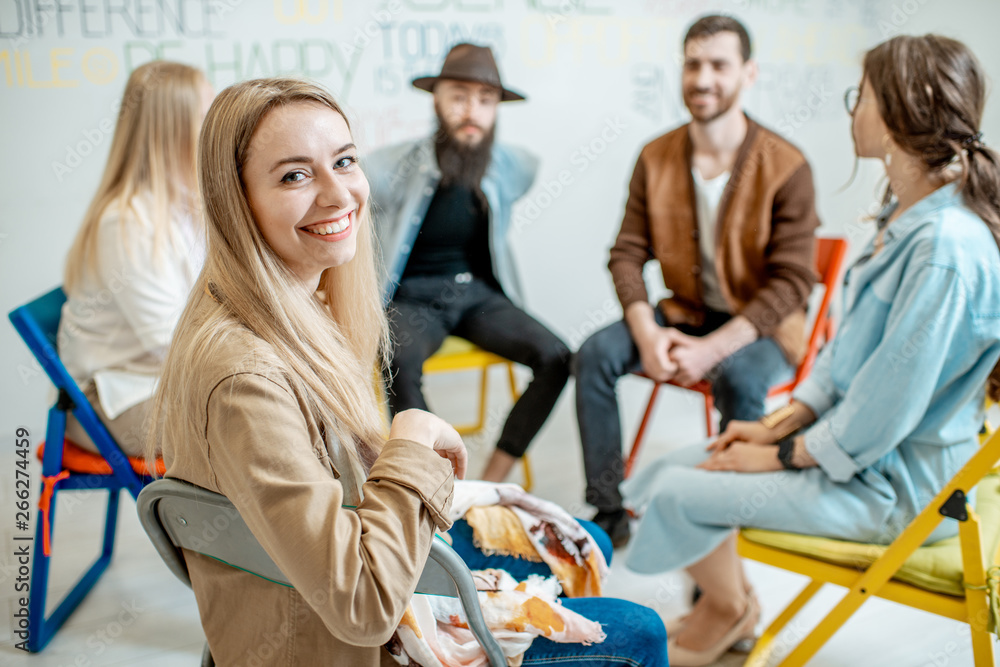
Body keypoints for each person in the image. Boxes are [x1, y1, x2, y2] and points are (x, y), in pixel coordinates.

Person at [148, 77, 667, 666]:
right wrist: (412, 437)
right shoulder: (248, 380)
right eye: (295, 175)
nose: (338, 195)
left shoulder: (286, 310)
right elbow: (364, 606)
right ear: (233, 199)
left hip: (326, 571)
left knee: (588, 540)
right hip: (341, 641)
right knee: (641, 632)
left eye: (344, 161)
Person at [623, 34, 1000, 667]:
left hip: (897, 492)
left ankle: (725, 610)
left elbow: (883, 412)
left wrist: (779, 457)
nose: (853, 111)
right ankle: (731, 605)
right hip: (863, 461)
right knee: (657, 473)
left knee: (678, 490)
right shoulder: (906, 219)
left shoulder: (945, 250)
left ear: (904, 111)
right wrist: (773, 427)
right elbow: (839, 359)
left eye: (863, 98)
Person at [573, 15, 820, 546]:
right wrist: (645, 331)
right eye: (693, 64)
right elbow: (626, 253)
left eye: (718, 65)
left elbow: (795, 281)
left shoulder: (786, 165)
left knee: (738, 379)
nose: (703, 78)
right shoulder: (655, 155)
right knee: (593, 354)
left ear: (748, 73)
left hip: (762, 330)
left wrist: (713, 351)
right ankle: (609, 509)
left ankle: (726, 528)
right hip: (683, 311)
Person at [367, 43, 571, 483]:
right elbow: (359, 180)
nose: (471, 111)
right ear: (436, 98)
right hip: (414, 296)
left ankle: (493, 478)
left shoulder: (507, 166)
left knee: (557, 356)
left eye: (485, 99)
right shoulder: (393, 167)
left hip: (479, 293)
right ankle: (442, 484)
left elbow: (526, 168)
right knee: (395, 359)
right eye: (458, 96)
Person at [59, 60, 213, 457]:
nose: (216, 131)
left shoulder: (185, 208)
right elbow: (169, 341)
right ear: (174, 130)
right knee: (259, 425)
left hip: (158, 384)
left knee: (282, 411)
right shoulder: (126, 221)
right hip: (110, 402)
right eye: (205, 116)